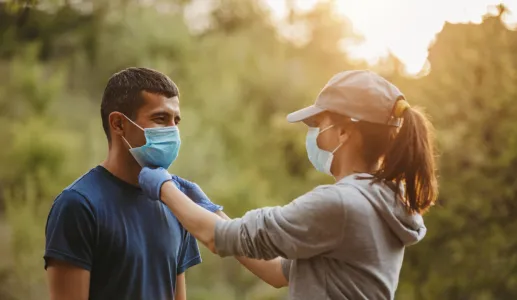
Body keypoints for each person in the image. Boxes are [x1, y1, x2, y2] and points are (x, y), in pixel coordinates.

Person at [138, 70, 439, 300]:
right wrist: (210, 209)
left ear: (345, 131)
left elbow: (219, 239)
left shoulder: (341, 205)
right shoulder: (383, 202)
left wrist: (165, 188)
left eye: (320, 125)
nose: (316, 137)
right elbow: (277, 271)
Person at [44, 67, 225, 300]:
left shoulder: (176, 203)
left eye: (176, 121)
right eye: (161, 118)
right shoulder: (79, 205)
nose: (173, 131)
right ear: (119, 123)